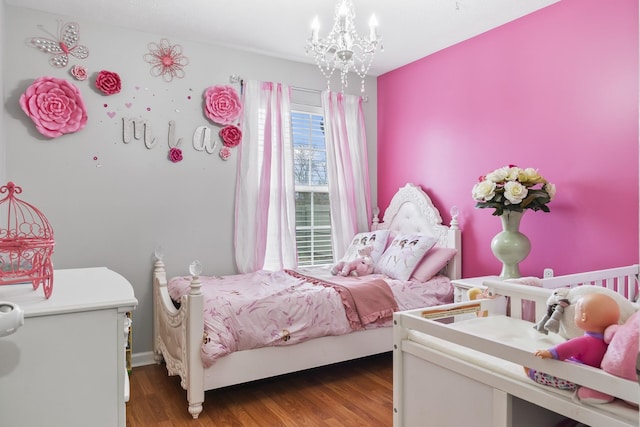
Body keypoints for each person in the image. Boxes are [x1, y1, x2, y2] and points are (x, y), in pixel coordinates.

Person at [524, 292, 620, 390]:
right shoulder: (613, 341)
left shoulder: (586, 341)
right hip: (595, 376)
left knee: (538, 368)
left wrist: (550, 352)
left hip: (578, 377)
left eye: (576, 312)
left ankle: (532, 373)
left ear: (583, 317)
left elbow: (565, 349)